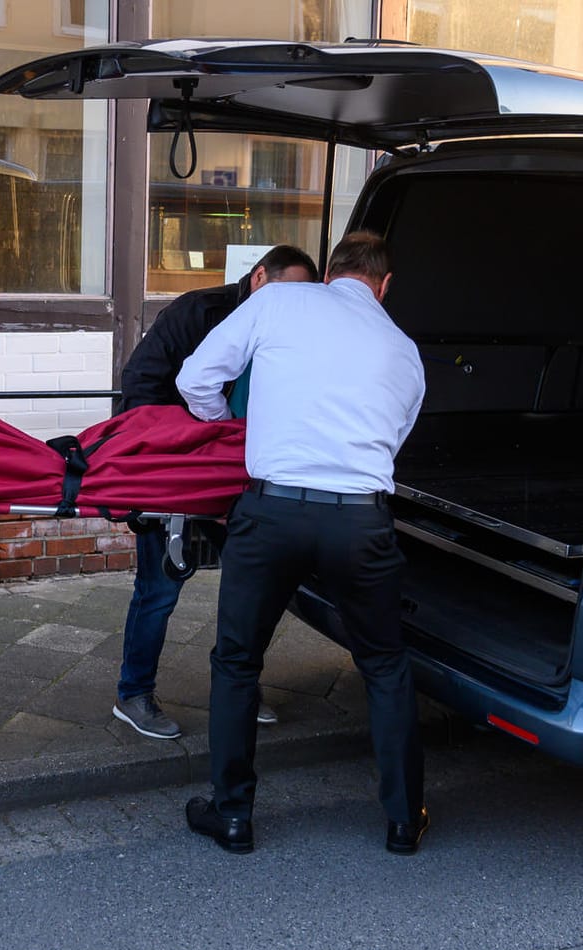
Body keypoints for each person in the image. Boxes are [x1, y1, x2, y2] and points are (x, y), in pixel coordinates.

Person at [175, 231, 428, 855]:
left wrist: (233, 431)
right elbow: (391, 444)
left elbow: (194, 379)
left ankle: (233, 815)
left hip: (273, 511)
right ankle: (402, 819)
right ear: (384, 285)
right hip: (360, 520)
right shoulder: (404, 350)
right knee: (386, 666)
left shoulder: (279, 302)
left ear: (331, 272)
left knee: (237, 660)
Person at [110, 244, 318, 740]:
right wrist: (149, 468)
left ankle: (240, 686)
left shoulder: (296, 327)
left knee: (251, 585)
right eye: (287, 292)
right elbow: (139, 384)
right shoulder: (195, 312)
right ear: (259, 277)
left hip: (246, 473)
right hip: (176, 466)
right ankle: (133, 693)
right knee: (159, 588)